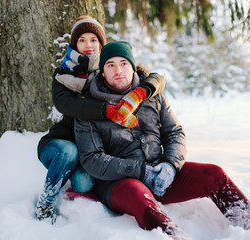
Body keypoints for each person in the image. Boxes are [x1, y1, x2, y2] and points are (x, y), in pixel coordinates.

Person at [74, 41, 250, 239]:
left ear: (132, 67)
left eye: (124, 63)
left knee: (214, 174)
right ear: (103, 72)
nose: (118, 70)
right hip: (119, 183)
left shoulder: (152, 96)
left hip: (160, 173)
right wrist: (140, 171)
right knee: (136, 193)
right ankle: (174, 236)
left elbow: (174, 132)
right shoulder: (90, 109)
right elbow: (92, 159)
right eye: (111, 65)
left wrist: (170, 165)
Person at [35, 16, 166, 224]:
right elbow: (67, 105)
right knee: (68, 152)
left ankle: (82, 184)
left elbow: (154, 77)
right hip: (64, 142)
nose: (88, 45)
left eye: (94, 40)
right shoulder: (64, 75)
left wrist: (141, 91)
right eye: (82, 40)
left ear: (101, 43)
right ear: (74, 44)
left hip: (91, 149)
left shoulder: (111, 67)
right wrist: (108, 111)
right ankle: (46, 202)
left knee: (84, 183)